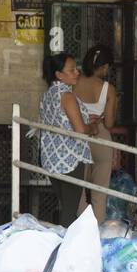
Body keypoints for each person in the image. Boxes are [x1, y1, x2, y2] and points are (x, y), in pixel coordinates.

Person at [39, 52, 95, 228]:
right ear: (59, 75)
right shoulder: (68, 97)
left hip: (51, 159)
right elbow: (80, 130)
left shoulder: (48, 95)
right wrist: (92, 128)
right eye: (71, 70)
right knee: (69, 210)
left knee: (66, 205)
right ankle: (64, 248)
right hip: (70, 158)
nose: (77, 72)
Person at [73, 44, 120, 224]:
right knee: (100, 191)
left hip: (79, 133)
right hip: (100, 136)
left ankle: (81, 224)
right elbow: (109, 123)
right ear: (105, 66)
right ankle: (97, 229)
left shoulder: (74, 83)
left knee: (79, 189)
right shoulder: (109, 89)